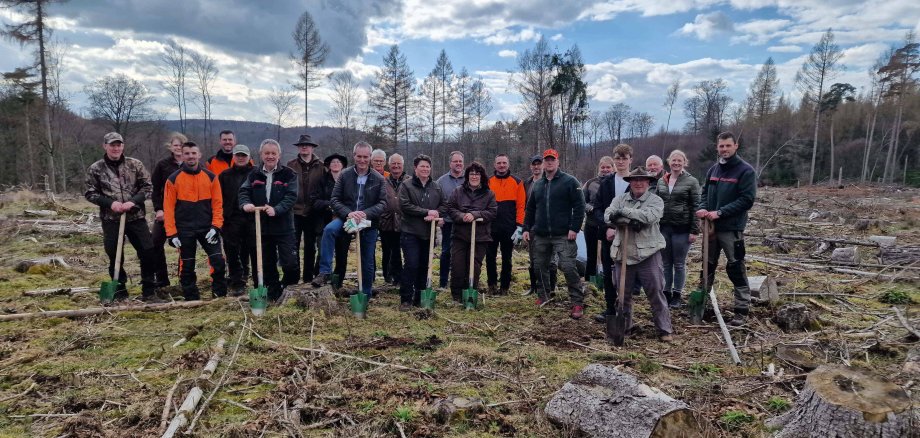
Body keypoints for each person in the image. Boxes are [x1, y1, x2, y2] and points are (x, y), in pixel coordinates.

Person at [84, 132, 158, 302]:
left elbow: (147, 187)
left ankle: (149, 291)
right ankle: (119, 292)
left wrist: (133, 202)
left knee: (147, 251)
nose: (116, 148)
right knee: (114, 255)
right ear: (105, 146)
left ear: (123, 146)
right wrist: (110, 203)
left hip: (136, 217)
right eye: (112, 145)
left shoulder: (135, 164)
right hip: (111, 220)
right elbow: (90, 192)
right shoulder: (96, 168)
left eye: (118, 145)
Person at [604, 167, 673, 342]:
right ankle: (624, 327)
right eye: (635, 180)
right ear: (630, 183)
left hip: (648, 254)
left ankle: (664, 329)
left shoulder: (655, 200)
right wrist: (629, 218)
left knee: (656, 293)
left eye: (642, 180)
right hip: (623, 254)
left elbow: (649, 216)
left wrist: (624, 213)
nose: (638, 183)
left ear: (649, 182)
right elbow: (608, 215)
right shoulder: (620, 199)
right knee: (623, 295)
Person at [312, 141, 387, 299]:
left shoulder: (378, 178)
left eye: (365, 157)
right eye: (359, 156)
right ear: (354, 156)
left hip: (368, 221)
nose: (362, 160)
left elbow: (382, 203)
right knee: (329, 230)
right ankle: (325, 271)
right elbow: (335, 199)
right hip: (347, 217)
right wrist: (349, 213)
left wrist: (365, 213)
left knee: (367, 259)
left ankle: (365, 292)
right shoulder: (345, 175)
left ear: (370, 157)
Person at [696, 132, 756, 326]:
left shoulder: (745, 171)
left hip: (731, 228)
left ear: (735, 146)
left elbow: (747, 200)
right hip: (710, 229)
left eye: (728, 146)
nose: (724, 149)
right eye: (721, 146)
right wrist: (703, 207)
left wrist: (720, 212)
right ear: (717, 147)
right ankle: (701, 303)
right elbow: (704, 192)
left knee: (735, 266)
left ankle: (741, 309)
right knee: (707, 265)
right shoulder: (713, 170)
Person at [523, 149, 585, 319]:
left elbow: (580, 206)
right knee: (539, 266)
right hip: (541, 234)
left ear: (558, 162)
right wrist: (526, 228)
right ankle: (544, 295)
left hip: (563, 234)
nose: (549, 163)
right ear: (543, 163)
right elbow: (530, 209)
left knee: (568, 266)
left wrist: (575, 228)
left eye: (552, 160)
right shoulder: (538, 185)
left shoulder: (570, 182)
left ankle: (577, 301)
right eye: (546, 160)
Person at [163, 141, 226, 300]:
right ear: (182, 155)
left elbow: (218, 204)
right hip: (184, 229)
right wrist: (172, 234)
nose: (190, 156)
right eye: (187, 154)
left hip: (207, 228)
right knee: (187, 265)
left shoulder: (211, 177)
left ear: (199, 154)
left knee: (218, 260)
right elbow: (168, 209)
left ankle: (219, 294)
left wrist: (216, 226)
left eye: (193, 153)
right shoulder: (173, 179)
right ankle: (191, 298)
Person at [239, 139, 299, 301]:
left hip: (284, 226)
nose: (270, 156)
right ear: (261, 155)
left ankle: (288, 289)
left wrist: (276, 209)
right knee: (267, 263)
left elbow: (291, 196)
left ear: (279, 155)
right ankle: (273, 293)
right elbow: (244, 191)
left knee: (290, 263)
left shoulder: (289, 174)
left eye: (273, 153)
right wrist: (245, 204)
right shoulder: (254, 174)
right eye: (267, 153)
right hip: (262, 227)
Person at [397, 154, 447, 309]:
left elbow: (445, 205)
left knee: (424, 266)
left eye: (427, 166)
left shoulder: (436, 187)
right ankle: (406, 299)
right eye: (422, 166)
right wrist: (426, 212)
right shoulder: (406, 185)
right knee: (411, 264)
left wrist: (437, 213)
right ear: (415, 168)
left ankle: (419, 297)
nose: (425, 169)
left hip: (428, 234)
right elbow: (404, 205)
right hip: (410, 232)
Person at [592, 144, 633, 323]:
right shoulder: (607, 183)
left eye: (624, 158)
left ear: (630, 160)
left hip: (630, 236)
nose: (621, 161)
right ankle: (610, 307)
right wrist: (607, 226)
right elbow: (598, 208)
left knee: (627, 273)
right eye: (618, 158)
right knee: (609, 273)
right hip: (608, 235)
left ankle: (625, 309)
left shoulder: (636, 182)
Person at [446, 162, 498, 303]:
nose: (474, 176)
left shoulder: (489, 194)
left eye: (477, 174)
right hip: (460, 235)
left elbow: (492, 212)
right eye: (471, 174)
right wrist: (462, 216)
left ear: (482, 176)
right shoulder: (458, 192)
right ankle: (456, 296)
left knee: (474, 267)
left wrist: (475, 214)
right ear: (467, 176)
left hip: (480, 237)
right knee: (457, 266)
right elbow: (450, 208)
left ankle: (470, 293)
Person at [658, 150, 700, 308]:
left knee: (679, 263)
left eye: (679, 160)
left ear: (684, 162)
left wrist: (694, 230)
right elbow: (656, 202)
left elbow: (696, 206)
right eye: (673, 160)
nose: (676, 163)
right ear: (669, 162)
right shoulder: (662, 181)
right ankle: (666, 292)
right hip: (664, 228)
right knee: (666, 263)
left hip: (682, 229)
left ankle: (677, 294)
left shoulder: (691, 181)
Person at [287, 134, 325, 283]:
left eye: (307, 145)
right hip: (294, 211)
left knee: (310, 247)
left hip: (312, 212)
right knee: (293, 245)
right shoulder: (290, 166)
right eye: (302, 145)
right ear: (298, 147)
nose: (304, 147)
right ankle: (293, 278)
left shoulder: (321, 166)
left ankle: (308, 278)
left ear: (312, 148)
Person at [150, 132, 187, 288]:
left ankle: (185, 280)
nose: (178, 148)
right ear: (170, 147)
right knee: (155, 243)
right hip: (165, 212)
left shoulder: (191, 163)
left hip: (185, 213)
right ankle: (162, 279)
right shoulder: (162, 165)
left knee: (185, 246)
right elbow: (155, 189)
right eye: (175, 145)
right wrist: (159, 209)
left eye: (181, 145)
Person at [218, 144, 257, 294]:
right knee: (232, 253)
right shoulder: (224, 175)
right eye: (238, 155)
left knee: (254, 252)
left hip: (253, 219)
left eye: (244, 155)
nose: (241, 158)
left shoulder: (257, 173)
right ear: (233, 157)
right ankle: (237, 282)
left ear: (249, 157)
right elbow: (218, 198)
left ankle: (258, 281)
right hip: (231, 220)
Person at [486, 154, 525, 295]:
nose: (501, 165)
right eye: (499, 163)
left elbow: (521, 206)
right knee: (490, 257)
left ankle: (505, 287)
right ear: (494, 165)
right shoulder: (488, 182)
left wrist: (520, 226)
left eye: (504, 163)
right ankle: (491, 285)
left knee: (507, 258)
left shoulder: (517, 182)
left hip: (509, 227)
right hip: (491, 227)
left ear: (508, 164)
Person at [311, 153, 350, 284]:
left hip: (343, 221)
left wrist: (340, 210)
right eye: (333, 162)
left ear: (343, 165)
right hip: (324, 221)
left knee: (342, 254)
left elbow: (351, 201)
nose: (335, 164)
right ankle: (321, 277)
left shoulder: (348, 181)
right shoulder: (321, 181)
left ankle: (337, 282)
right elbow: (315, 201)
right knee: (323, 252)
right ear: (328, 165)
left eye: (338, 162)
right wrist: (330, 205)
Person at [522, 154, 555, 296]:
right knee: (533, 258)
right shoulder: (527, 183)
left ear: (543, 165)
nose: (536, 167)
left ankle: (551, 288)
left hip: (548, 227)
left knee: (550, 259)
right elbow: (525, 207)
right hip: (532, 226)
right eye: (533, 164)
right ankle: (534, 287)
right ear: (530, 166)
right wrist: (524, 227)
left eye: (539, 164)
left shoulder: (549, 181)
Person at [582, 156, 614, 282]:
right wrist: (589, 206)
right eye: (603, 167)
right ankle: (590, 282)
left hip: (609, 227)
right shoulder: (590, 183)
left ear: (613, 168)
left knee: (609, 257)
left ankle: (609, 282)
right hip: (591, 225)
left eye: (608, 167)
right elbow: (582, 201)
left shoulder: (615, 182)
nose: (605, 170)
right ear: (599, 168)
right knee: (591, 255)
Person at [380, 153, 410, 286]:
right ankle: (390, 277)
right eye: (393, 163)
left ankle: (405, 278)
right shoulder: (382, 181)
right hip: (387, 222)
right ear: (389, 165)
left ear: (403, 165)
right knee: (390, 251)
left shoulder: (410, 181)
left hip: (406, 223)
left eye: (399, 164)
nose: (396, 166)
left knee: (407, 252)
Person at [436, 151, 465, 288]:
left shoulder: (469, 179)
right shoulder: (441, 182)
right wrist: (439, 218)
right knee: (446, 251)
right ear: (450, 163)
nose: (458, 164)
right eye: (455, 161)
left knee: (463, 253)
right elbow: (437, 202)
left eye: (460, 161)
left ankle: (461, 282)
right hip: (447, 222)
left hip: (464, 223)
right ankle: (443, 282)